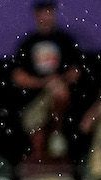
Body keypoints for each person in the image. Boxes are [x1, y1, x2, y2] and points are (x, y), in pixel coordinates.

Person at [10, 1, 86, 164]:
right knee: (36, 125)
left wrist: (59, 81)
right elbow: (18, 77)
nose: (46, 17)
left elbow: (76, 72)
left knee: (60, 92)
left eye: (49, 12)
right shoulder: (28, 44)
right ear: (36, 16)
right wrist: (45, 83)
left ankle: (57, 132)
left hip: (63, 100)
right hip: (35, 100)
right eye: (43, 13)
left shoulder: (65, 41)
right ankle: (40, 160)